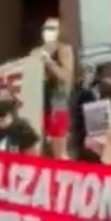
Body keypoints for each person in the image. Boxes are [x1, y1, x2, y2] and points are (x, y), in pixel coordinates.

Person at [35, 18, 74, 159]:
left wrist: (49, 62)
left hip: (58, 102)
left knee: (59, 151)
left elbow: (66, 76)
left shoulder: (63, 49)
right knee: (40, 150)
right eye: (46, 28)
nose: (48, 32)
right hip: (40, 103)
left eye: (53, 28)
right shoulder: (37, 51)